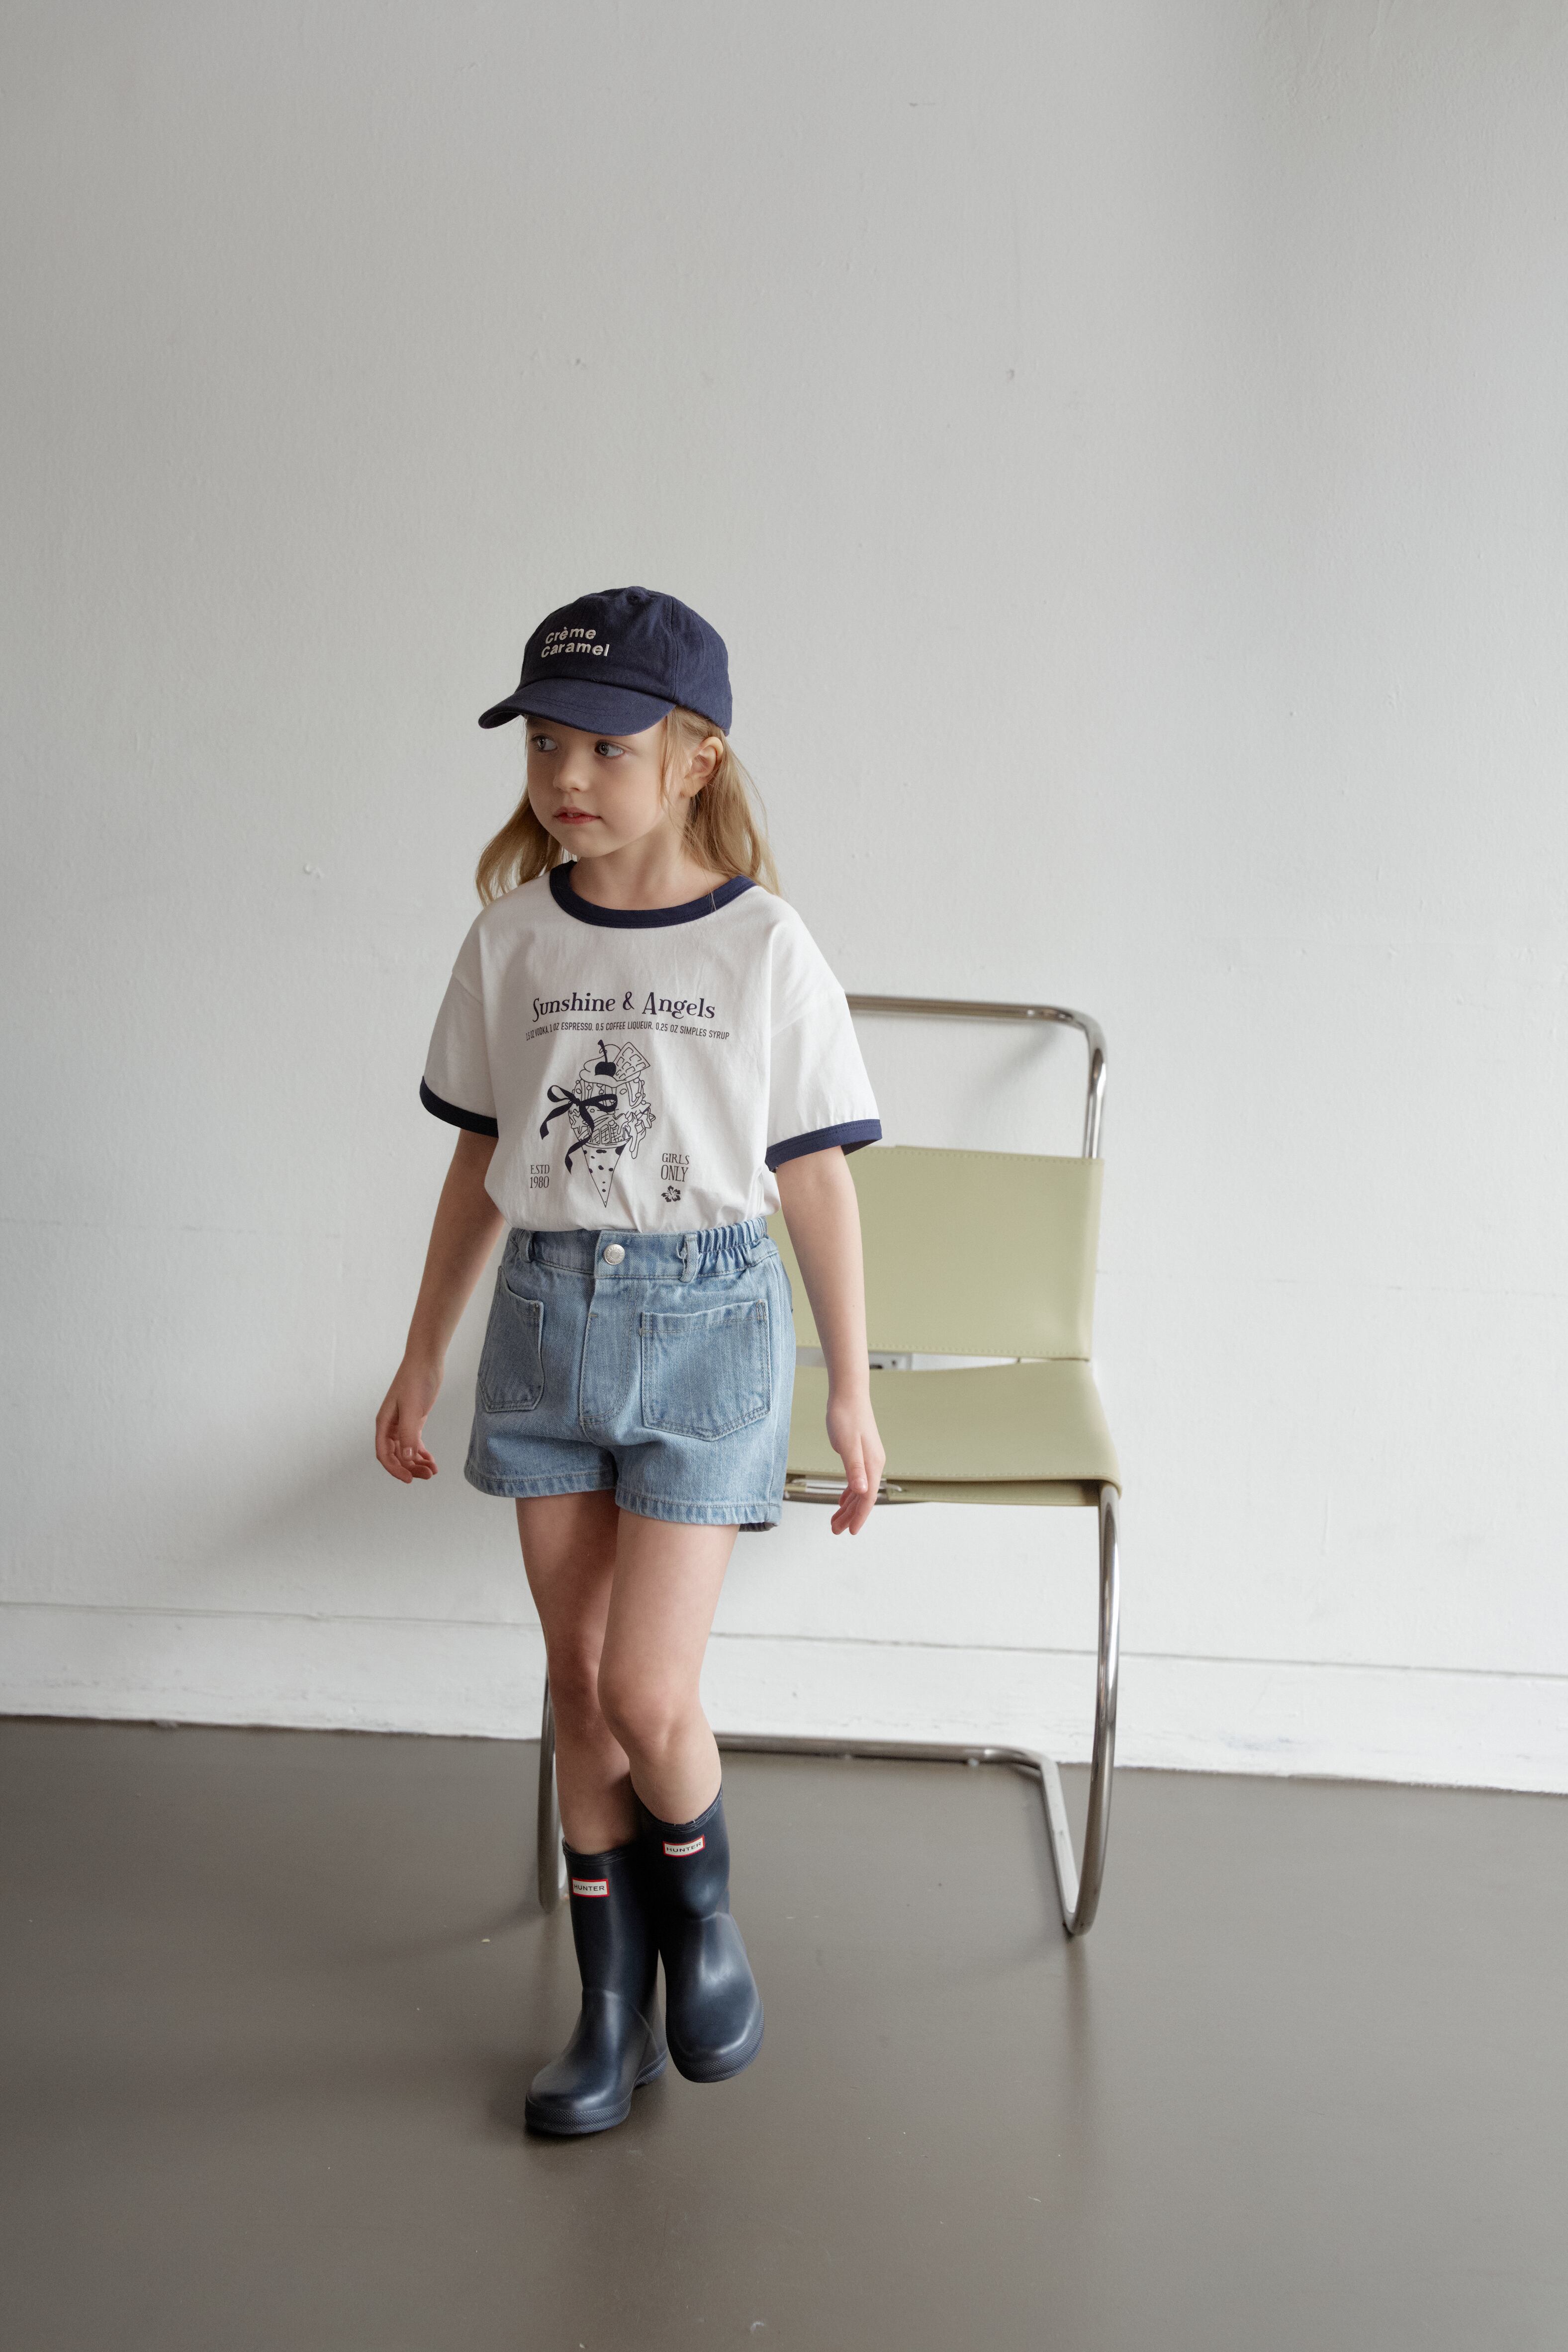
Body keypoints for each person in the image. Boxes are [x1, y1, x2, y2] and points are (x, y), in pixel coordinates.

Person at [374, 585, 885, 2137]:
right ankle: (609, 2011)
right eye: (545, 742)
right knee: (575, 1685)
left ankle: (703, 1922)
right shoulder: (513, 939)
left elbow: (814, 1176)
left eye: (604, 744)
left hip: (708, 1325)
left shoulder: (763, 944)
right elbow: (479, 1164)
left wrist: (851, 1386)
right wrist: (421, 1353)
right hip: (546, 1319)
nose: (567, 775)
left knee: (645, 1685)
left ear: (695, 756)